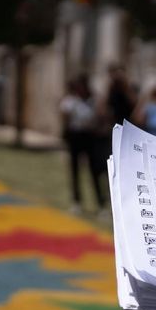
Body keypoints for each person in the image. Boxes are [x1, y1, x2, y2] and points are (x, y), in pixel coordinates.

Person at [59, 75, 106, 215]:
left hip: (90, 136)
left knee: (95, 171)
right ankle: (77, 202)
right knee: (75, 170)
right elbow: (64, 115)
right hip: (75, 136)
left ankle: (101, 203)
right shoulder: (71, 101)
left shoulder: (93, 101)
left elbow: (101, 115)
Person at [104, 63, 139, 130]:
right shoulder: (111, 88)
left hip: (128, 121)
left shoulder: (130, 87)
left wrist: (125, 86)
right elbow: (104, 106)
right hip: (114, 122)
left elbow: (134, 102)